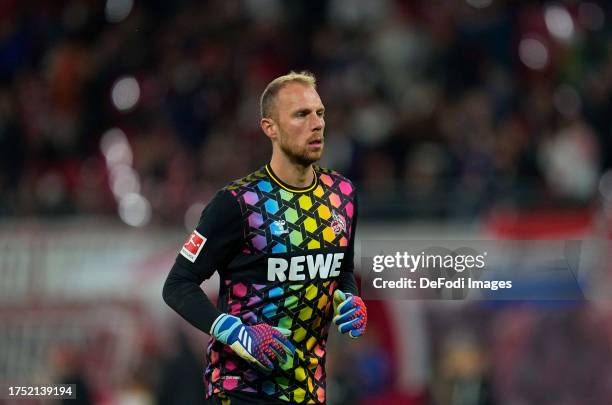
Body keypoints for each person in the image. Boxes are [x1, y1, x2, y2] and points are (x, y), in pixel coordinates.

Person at [163, 71, 367, 405]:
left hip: (308, 391)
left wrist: (349, 299)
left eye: (320, 113)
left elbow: (341, 272)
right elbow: (177, 285)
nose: (317, 123)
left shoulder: (343, 194)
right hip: (240, 390)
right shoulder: (237, 203)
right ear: (269, 127)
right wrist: (238, 334)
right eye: (301, 114)